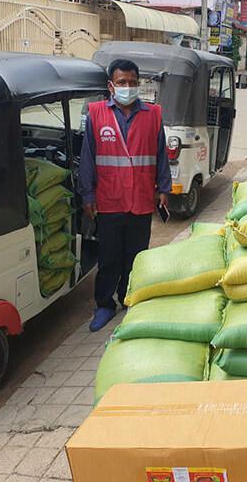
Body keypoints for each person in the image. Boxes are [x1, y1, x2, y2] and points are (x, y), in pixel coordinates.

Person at [78, 59, 171, 332]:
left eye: (132, 82)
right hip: (109, 199)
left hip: (141, 199)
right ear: (111, 86)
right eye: (121, 83)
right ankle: (104, 304)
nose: (127, 87)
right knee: (108, 257)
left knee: (136, 256)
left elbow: (161, 154)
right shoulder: (96, 114)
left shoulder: (153, 114)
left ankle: (129, 299)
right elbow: (88, 158)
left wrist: (164, 188)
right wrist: (87, 195)